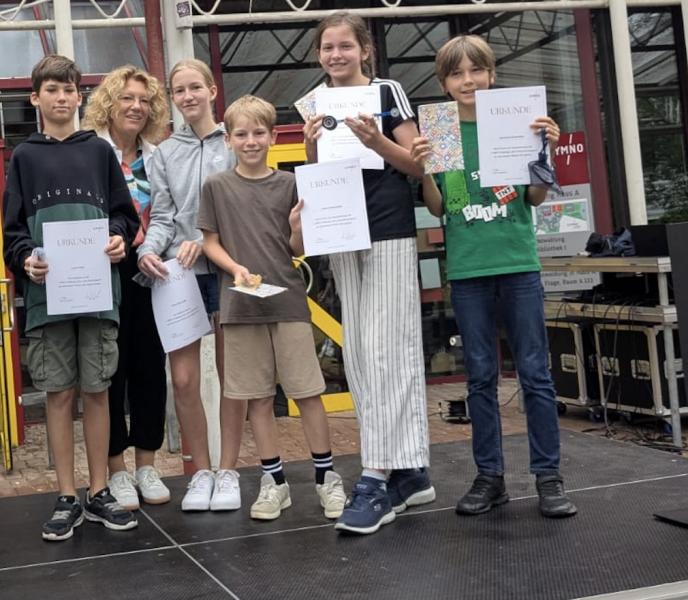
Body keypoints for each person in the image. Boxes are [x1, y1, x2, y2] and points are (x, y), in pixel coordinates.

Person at [410, 34, 577, 519]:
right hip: (469, 269)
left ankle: (548, 477)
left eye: (476, 70)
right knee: (480, 377)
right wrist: (424, 170)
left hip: (519, 263)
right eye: (457, 73)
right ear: (444, 83)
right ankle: (490, 477)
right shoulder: (440, 130)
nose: (468, 81)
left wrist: (546, 151)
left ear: (492, 74)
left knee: (535, 374)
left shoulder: (518, 120)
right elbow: (440, 207)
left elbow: (534, 199)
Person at [303, 11, 435, 535]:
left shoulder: (387, 92)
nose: (336, 55)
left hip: (387, 229)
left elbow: (419, 164)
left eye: (344, 46)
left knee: (387, 349)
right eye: (327, 47)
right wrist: (311, 146)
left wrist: (376, 141)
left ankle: (376, 476)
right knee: (359, 352)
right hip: (341, 232)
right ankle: (408, 471)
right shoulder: (315, 101)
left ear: (364, 50)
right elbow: (319, 173)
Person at [2, 55, 139, 540]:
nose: (61, 98)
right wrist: (26, 260)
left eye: (69, 89)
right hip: (47, 296)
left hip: (99, 292)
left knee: (98, 390)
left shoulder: (99, 152)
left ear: (79, 96)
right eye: (52, 90)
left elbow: (125, 216)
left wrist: (120, 239)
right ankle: (66, 495)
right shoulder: (24, 157)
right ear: (34, 98)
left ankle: (99, 490)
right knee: (59, 393)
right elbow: (12, 232)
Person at [198, 94, 346, 521]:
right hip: (239, 307)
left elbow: (298, 248)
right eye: (242, 134)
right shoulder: (216, 187)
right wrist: (234, 268)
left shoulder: (290, 184)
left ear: (273, 137)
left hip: (288, 302)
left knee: (308, 393)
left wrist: (297, 228)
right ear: (228, 139)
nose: (251, 141)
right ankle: (274, 482)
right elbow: (209, 242)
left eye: (259, 133)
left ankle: (326, 478)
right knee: (258, 399)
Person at [137, 59, 246, 512]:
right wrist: (148, 250)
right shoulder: (164, 153)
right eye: (179, 90)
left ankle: (229, 470)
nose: (188, 97)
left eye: (195, 87)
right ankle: (201, 472)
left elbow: (243, 208)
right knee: (183, 379)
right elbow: (163, 216)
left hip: (225, 270)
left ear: (212, 90)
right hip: (179, 275)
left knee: (230, 375)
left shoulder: (234, 141)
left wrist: (206, 242)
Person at [82, 66, 171, 511]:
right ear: (108, 103)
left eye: (144, 100)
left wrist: (152, 249)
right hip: (106, 270)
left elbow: (169, 212)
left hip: (151, 269)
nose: (136, 106)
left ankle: (146, 464)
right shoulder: (90, 151)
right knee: (110, 370)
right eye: (127, 98)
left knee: (150, 367)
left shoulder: (158, 156)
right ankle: (116, 468)